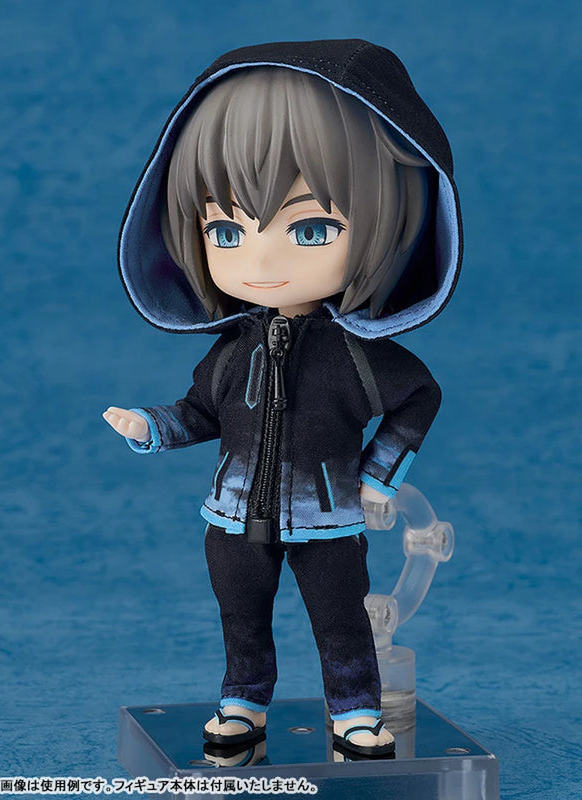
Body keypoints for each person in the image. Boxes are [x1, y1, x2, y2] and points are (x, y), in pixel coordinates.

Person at [104, 40, 463, 759]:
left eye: (310, 229)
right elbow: (201, 413)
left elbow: (419, 395)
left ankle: (355, 710)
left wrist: (376, 476)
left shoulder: (358, 354)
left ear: (387, 224)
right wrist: (151, 427)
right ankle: (243, 702)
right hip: (233, 516)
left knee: (342, 622)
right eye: (226, 231)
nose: (262, 261)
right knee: (241, 618)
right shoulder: (232, 350)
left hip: (327, 518)